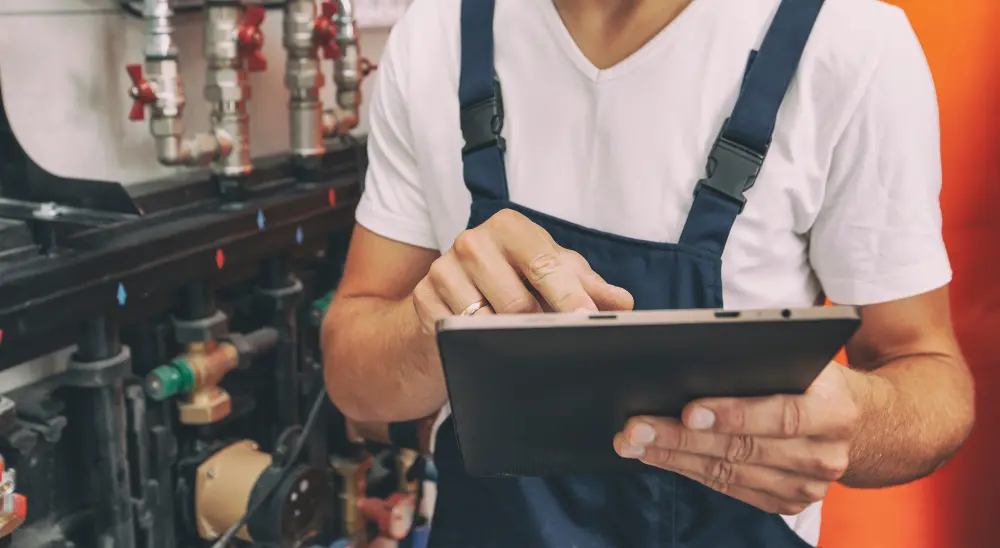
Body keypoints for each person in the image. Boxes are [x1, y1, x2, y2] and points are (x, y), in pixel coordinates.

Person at [321, 0, 976, 546]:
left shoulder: (850, 42)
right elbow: (352, 375)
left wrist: (857, 426)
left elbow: (931, 379)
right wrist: (424, 328)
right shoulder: (437, 33)